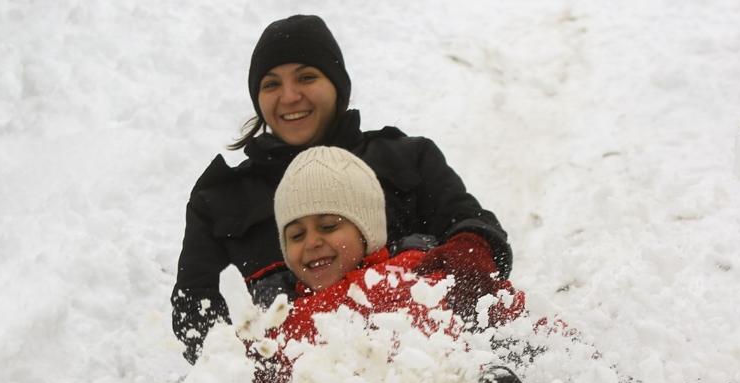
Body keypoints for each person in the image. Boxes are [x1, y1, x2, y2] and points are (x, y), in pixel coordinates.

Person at [172, 14, 514, 364]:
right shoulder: (221, 198)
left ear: (337, 85)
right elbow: (194, 308)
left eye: (307, 77)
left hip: (424, 354)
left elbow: (473, 225)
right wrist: (239, 363)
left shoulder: (406, 157)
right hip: (301, 382)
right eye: (271, 85)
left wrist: (467, 258)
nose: (289, 96)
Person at [242, 146, 536, 383]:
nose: (312, 242)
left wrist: (535, 337)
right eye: (296, 236)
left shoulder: (411, 272)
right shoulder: (279, 316)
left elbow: (502, 314)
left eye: (329, 226)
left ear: (366, 230)